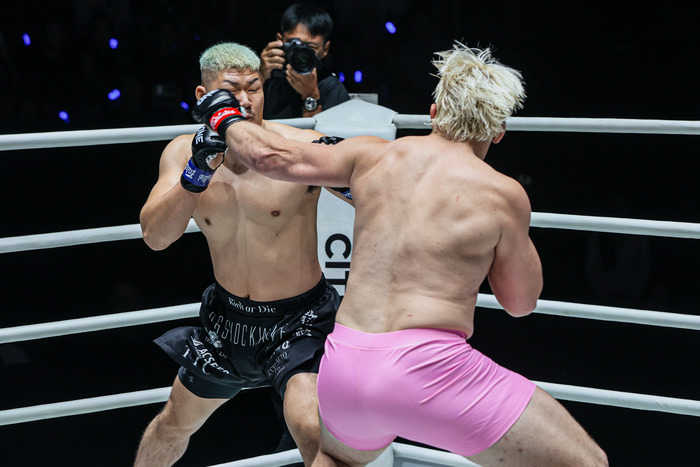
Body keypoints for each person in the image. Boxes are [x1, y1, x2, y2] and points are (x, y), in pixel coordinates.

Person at [192, 43, 609, 466]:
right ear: (498, 130)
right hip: (426, 369)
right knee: (588, 462)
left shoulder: (370, 156)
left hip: (344, 365)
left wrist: (223, 116)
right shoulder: (502, 194)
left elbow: (269, 156)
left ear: (433, 113)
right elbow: (520, 303)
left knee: (336, 460)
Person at [134, 42, 351, 467]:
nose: (246, 101)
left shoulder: (301, 147)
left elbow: (374, 189)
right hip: (227, 322)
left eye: (254, 87)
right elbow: (155, 237)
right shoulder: (182, 152)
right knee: (171, 425)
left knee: (312, 431)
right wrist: (196, 174)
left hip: (300, 324)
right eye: (232, 90)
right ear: (203, 97)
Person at [260, 2, 349, 119]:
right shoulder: (269, 79)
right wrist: (260, 76)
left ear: (325, 49)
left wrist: (311, 95)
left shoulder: (331, 87)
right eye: (294, 44)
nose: (300, 53)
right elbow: (243, 119)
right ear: (280, 41)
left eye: (310, 47)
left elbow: (322, 131)